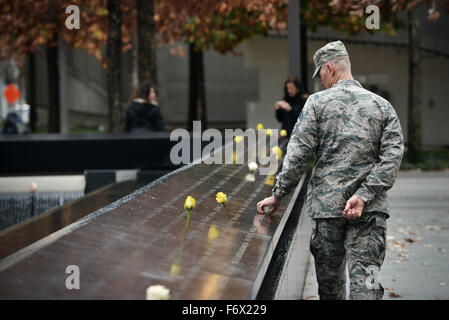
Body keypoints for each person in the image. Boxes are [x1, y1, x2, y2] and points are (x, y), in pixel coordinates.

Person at [257, 40, 404, 300]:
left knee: (330, 287)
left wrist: (278, 194)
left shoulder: (315, 104)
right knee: (366, 285)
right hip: (369, 211)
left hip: (327, 211)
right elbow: (392, 157)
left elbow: (298, 154)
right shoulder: (382, 106)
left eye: (321, 74)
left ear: (330, 68)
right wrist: (364, 194)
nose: (321, 80)